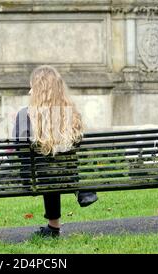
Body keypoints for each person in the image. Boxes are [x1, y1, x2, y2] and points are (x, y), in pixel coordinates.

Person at [13, 65, 98, 238]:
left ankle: (53, 227)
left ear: (37, 90)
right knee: (54, 165)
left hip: (36, 179)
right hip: (66, 176)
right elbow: (77, 143)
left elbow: (19, 149)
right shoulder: (71, 114)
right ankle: (79, 192)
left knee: (45, 168)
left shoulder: (25, 115)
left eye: (32, 87)